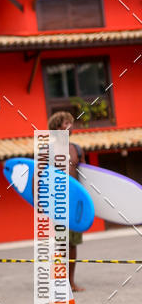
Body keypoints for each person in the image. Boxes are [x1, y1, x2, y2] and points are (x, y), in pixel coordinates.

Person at [48, 110, 85, 291]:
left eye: (71, 123)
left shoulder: (77, 149)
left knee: (73, 243)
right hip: (58, 202)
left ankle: (71, 281)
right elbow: (41, 178)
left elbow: (84, 177)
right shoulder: (48, 150)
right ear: (56, 127)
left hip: (75, 202)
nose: (70, 126)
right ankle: (60, 282)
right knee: (61, 242)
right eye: (66, 123)